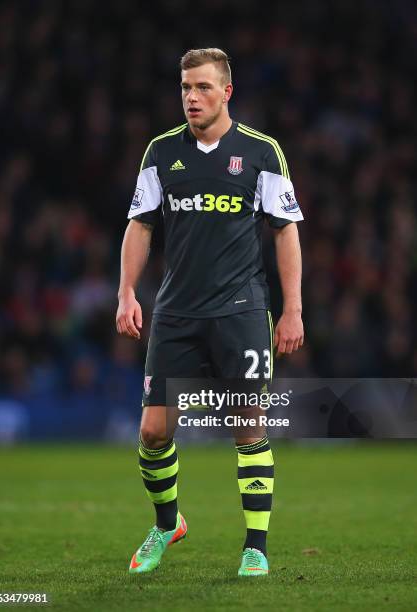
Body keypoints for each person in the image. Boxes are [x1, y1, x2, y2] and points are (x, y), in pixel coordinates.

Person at [116, 48, 304, 577]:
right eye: (184, 88)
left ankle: (256, 547)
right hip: (176, 314)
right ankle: (167, 523)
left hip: (241, 311)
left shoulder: (262, 153)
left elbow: (285, 229)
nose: (191, 97)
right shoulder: (160, 153)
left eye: (201, 87)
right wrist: (127, 292)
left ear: (227, 92)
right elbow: (141, 225)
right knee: (154, 432)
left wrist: (293, 309)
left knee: (248, 425)